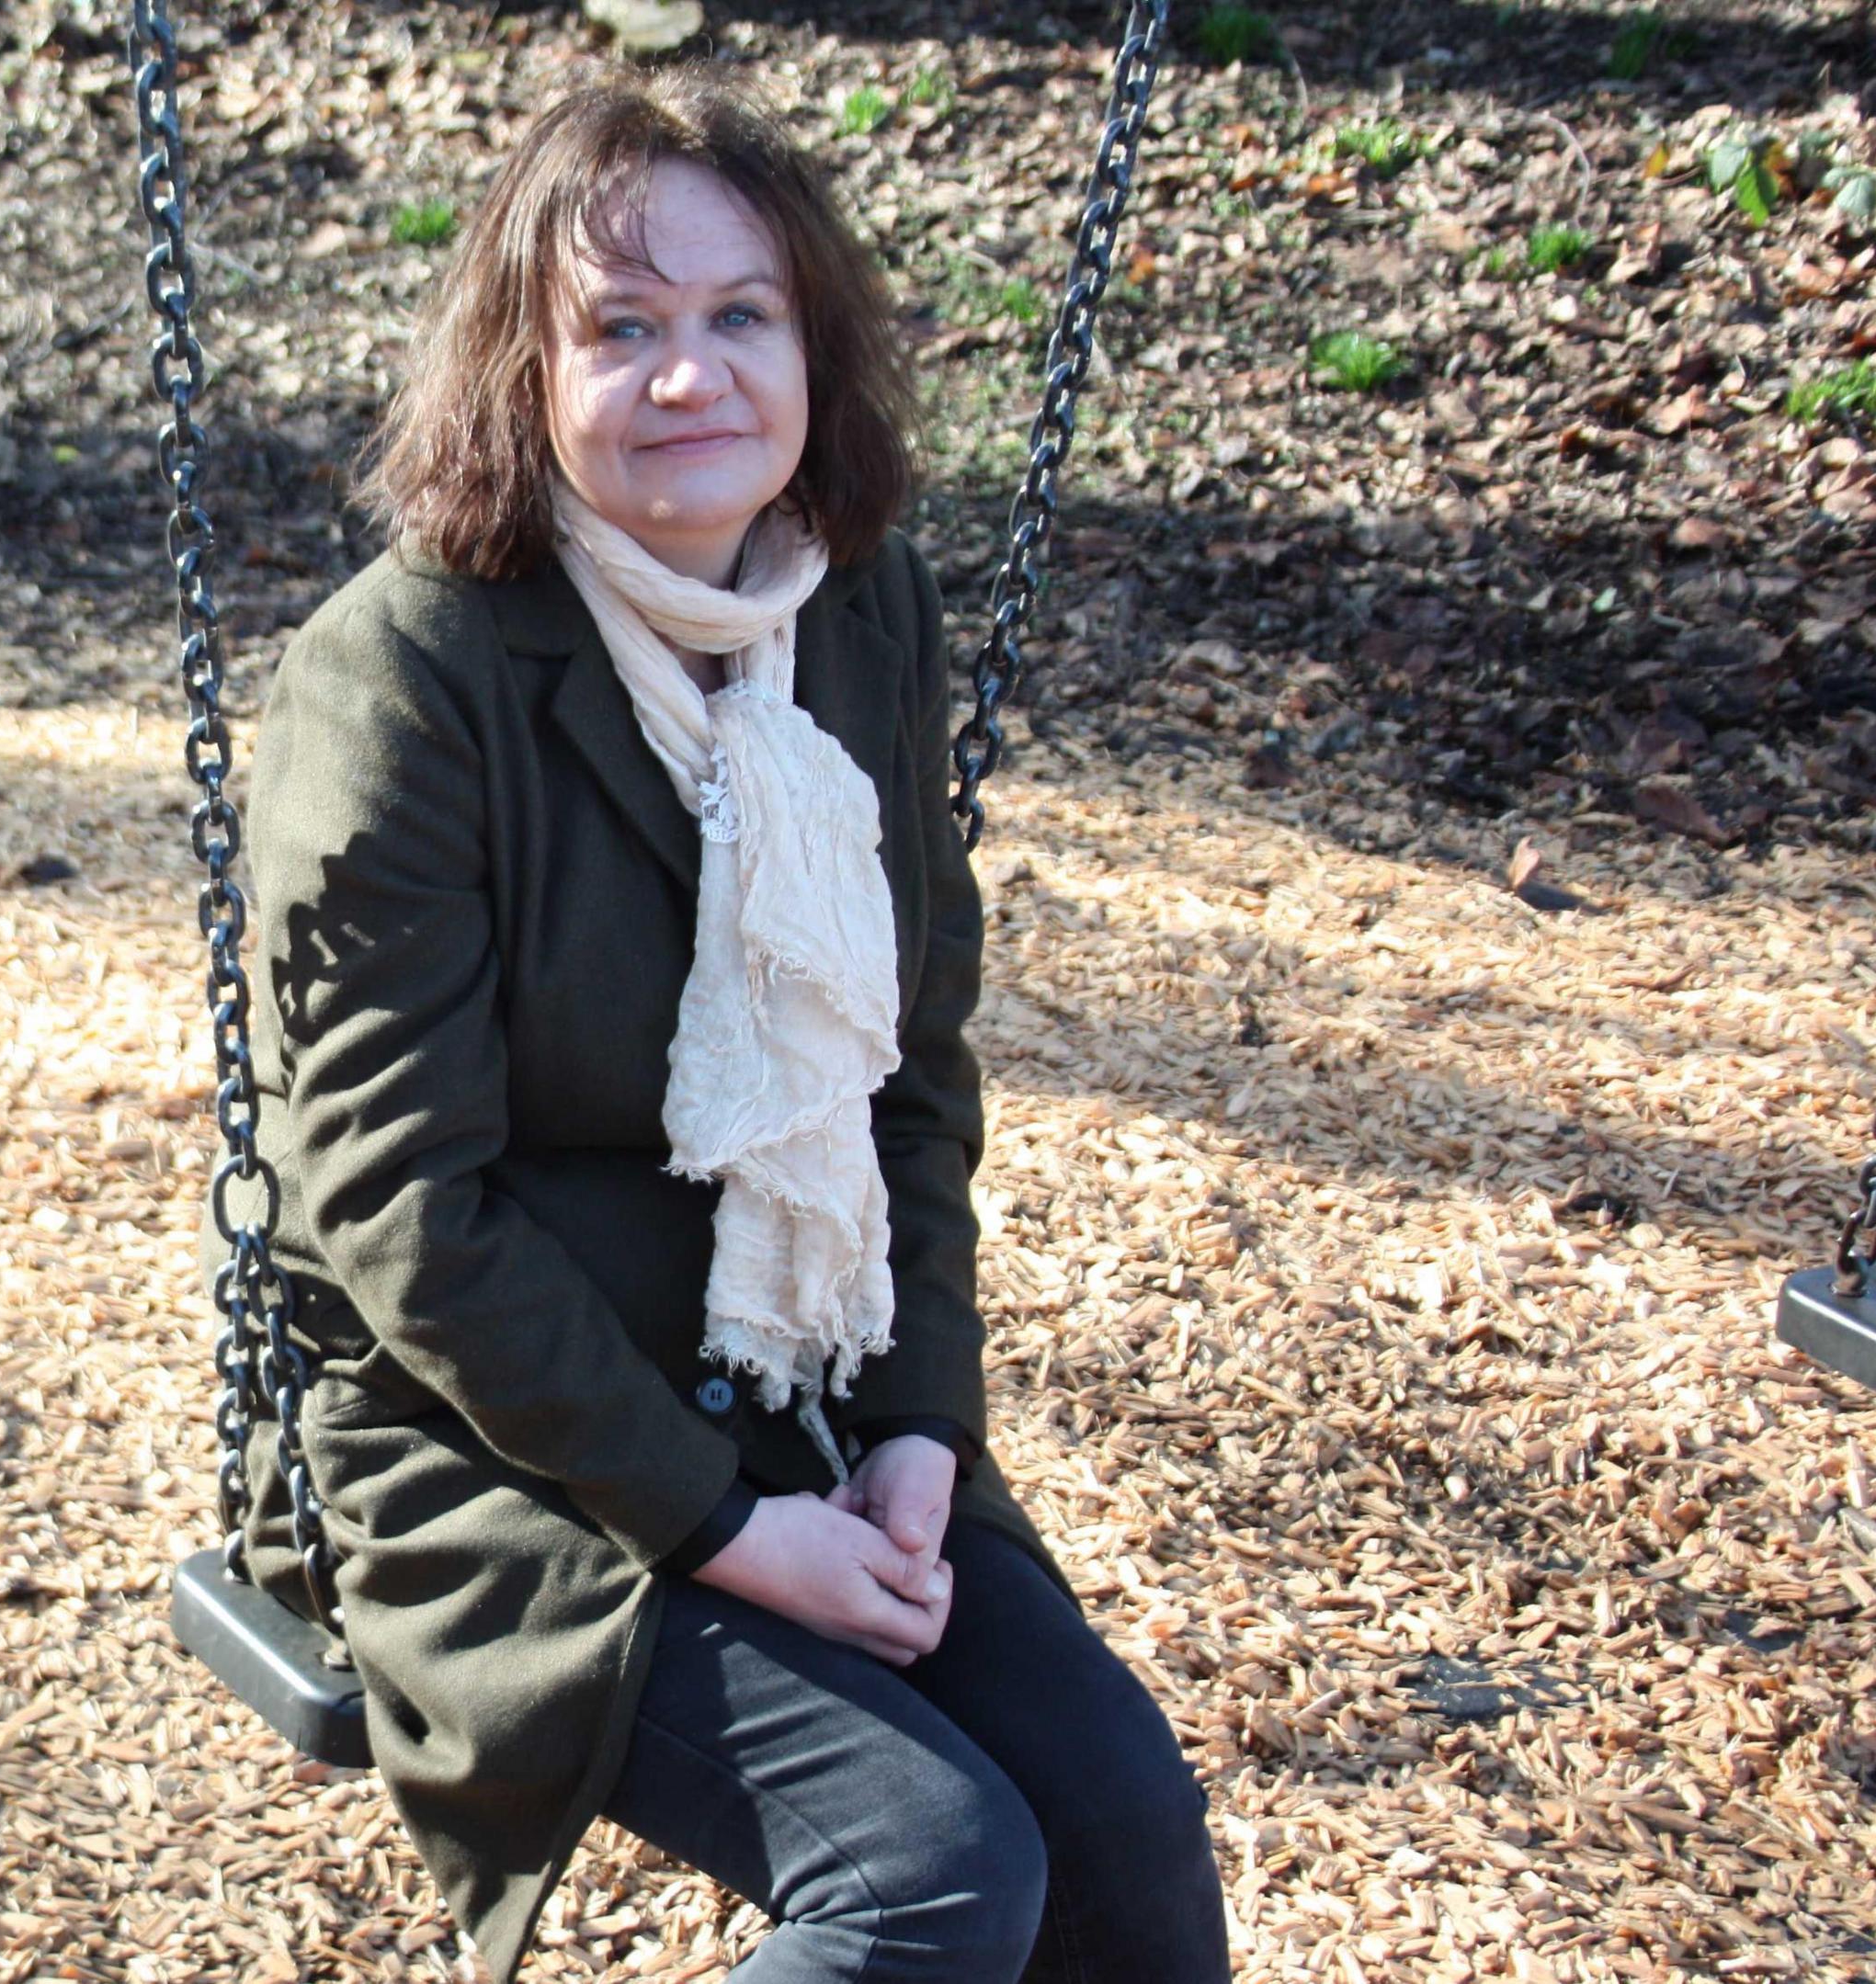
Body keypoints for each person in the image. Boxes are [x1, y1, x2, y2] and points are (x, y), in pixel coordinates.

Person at [222, 69, 1231, 1984]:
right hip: (501, 1449)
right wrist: (722, 1532)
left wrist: (925, 1418)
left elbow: (908, 1078)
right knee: (930, 1875)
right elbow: (397, 1212)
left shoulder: (854, 617)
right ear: (525, 380)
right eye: (622, 329)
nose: (692, 377)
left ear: (811, 346)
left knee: (1118, 1829)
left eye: (738, 317)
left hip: (810, 1364)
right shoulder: (406, 680)